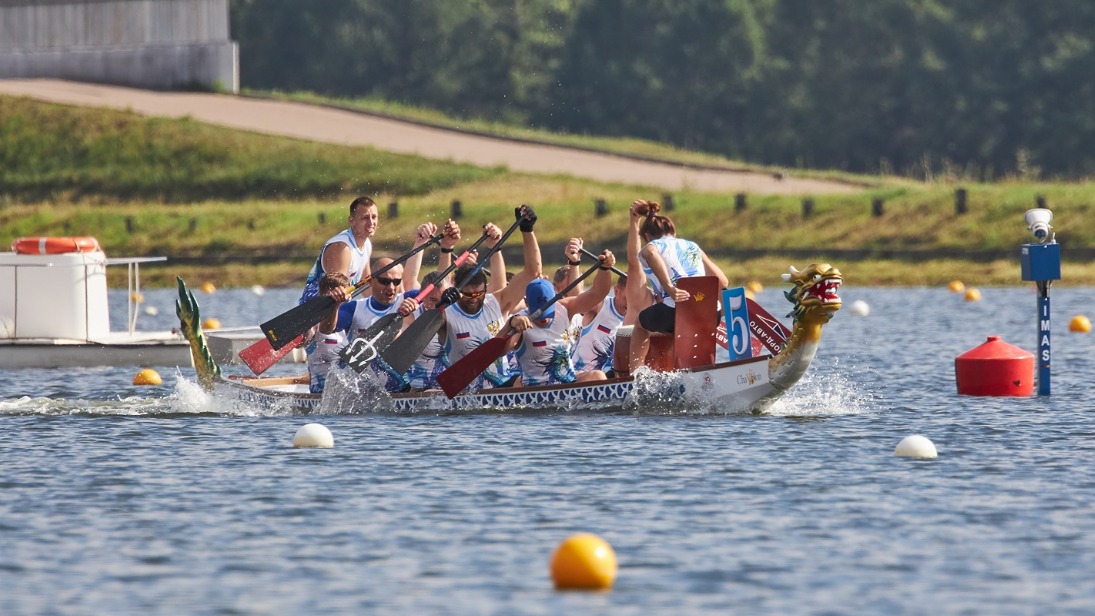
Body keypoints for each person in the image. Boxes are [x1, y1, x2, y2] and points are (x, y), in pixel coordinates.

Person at [437, 205, 543, 390]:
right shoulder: (446, 315)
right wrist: (446, 249)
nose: (473, 299)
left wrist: (527, 230)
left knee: (525, 381)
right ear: (457, 289)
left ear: (485, 289)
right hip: (463, 391)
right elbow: (438, 295)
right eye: (468, 294)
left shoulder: (497, 303)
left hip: (501, 387)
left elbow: (533, 272)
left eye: (479, 294)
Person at [627, 199, 728, 372]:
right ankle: (688, 371)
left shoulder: (651, 246)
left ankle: (635, 376)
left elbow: (650, 254)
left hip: (675, 311)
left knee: (639, 324)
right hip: (711, 313)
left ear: (647, 236)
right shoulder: (693, 246)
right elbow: (723, 282)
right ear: (673, 231)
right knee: (678, 328)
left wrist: (670, 288)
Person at [501, 249, 617, 387]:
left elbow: (597, 294)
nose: (544, 319)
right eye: (539, 315)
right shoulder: (520, 321)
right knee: (517, 384)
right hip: (534, 388)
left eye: (548, 313)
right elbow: (499, 352)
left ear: (555, 299)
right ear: (527, 304)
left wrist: (605, 269)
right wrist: (510, 324)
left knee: (598, 376)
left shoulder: (565, 307)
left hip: (567, 382)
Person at [320, 256, 420, 392]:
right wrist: (335, 306)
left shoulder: (411, 298)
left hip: (403, 387)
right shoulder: (354, 308)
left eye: (396, 282)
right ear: (371, 281)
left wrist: (447, 248)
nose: (391, 288)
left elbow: (438, 292)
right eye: (384, 281)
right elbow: (326, 329)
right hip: (365, 391)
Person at [299, 196, 378, 304]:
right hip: (317, 309)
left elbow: (366, 283)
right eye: (365, 218)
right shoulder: (342, 248)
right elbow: (337, 290)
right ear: (352, 221)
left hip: (338, 306)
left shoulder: (367, 244)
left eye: (374, 217)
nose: (371, 222)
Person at [307, 272, 351, 393]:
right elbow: (303, 340)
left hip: (348, 390)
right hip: (321, 392)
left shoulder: (351, 317)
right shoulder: (313, 322)